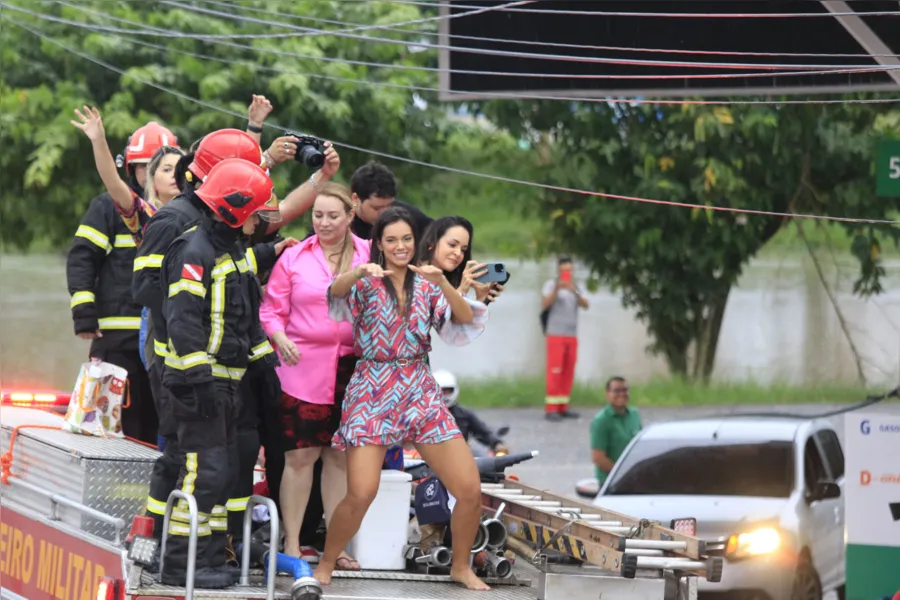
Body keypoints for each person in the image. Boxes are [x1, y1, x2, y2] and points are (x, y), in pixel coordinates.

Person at [314, 207, 490, 590]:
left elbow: (462, 317)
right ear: (379, 243)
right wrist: (359, 271)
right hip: (372, 387)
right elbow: (334, 293)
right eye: (391, 239)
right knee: (362, 492)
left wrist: (444, 282)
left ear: (416, 243)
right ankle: (327, 561)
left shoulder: (427, 284)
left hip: (418, 387)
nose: (399, 246)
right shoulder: (364, 282)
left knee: (469, 489)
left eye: (406, 239)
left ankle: (460, 566)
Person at [157, 158, 281, 589]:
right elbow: (183, 320)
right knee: (202, 473)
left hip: (229, 381)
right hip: (198, 384)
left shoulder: (235, 251)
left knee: (224, 474)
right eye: (256, 215)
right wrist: (198, 377)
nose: (260, 223)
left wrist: (265, 365)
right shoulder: (194, 251)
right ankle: (177, 564)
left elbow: (246, 317)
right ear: (235, 209)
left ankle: (206, 559)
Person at [259, 182, 369, 568]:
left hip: (353, 369)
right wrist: (279, 338)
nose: (323, 223)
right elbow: (271, 310)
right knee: (300, 457)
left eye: (332, 216)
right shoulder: (295, 257)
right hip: (301, 365)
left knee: (339, 458)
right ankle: (292, 542)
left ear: (351, 215)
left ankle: (333, 546)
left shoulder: (369, 255)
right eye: (317, 215)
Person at [65, 114, 181, 445]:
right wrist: (84, 312)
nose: (152, 172)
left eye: (164, 166)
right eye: (145, 166)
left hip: (168, 333)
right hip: (117, 332)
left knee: (160, 420)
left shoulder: (189, 215)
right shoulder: (121, 209)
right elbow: (82, 257)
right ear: (132, 169)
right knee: (113, 419)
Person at [540, 256, 589, 421]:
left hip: (571, 334)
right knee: (555, 371)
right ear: (558, 270)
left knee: (568, 370)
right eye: (563, 270)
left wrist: (573, 290)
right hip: (555, 334)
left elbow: (586, 304)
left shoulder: (578, 286)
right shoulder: (551, 285)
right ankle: (551, 408)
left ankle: (563, 406)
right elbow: (545, 304)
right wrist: (557, 289)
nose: (566, 273)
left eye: (568, 270)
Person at [417, 215, 503, 304]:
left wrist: (481, 301)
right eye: (452, 245)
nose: (458, 253)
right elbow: (435, 316)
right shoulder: (413, 279)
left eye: (463, 250)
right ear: (432, 243)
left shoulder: (447, 282)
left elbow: (458, 318)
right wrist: (461, 291)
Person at [349, 161, 432, 239]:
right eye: (377, 208)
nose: (385, 213)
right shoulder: (342, 222)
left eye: (389, 206)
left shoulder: (407, 216)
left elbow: (438, 232)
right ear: (356, 199)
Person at [433, 369, 508, 455]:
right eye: (440, 391)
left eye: (447, 391)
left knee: (483, 454)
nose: (444, 394)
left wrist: (497, 443)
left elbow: (483, 433)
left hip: (460, 455)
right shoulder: (422, 416)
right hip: (429, 457)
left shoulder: (464, 414)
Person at [590, 377, 642, 486]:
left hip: (635, 479)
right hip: (611, 483)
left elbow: (641, 445)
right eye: (617, 391)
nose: (622, 394)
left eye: (625, 390)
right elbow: (598, 458)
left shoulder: (634, 415)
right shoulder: (601, 421)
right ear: (607, 393)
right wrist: (622, 474)